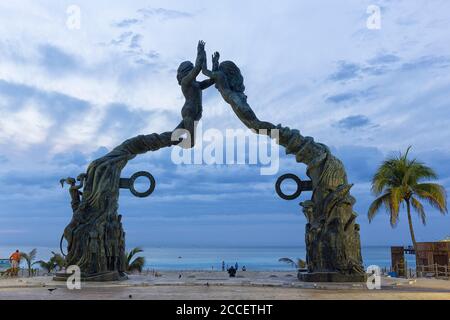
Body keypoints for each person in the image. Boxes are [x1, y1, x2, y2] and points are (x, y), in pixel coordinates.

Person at [173, 40, 215, 148]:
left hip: (197, 112)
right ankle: (171, 140)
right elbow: (197, 68)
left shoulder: (197, 84)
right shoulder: (185, 82)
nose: (192, 71)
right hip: (189, 111)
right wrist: (200, 51)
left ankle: (170, 138)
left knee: (175, 135)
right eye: (190, 69)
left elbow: (211, 80)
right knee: (190, 142)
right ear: (186, 71)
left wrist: (215, 63)